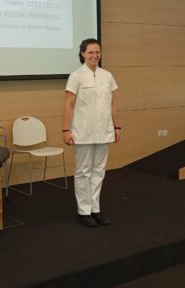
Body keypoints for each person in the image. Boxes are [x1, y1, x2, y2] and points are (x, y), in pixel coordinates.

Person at [62, 38, 120, 227]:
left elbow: (113, 103)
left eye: (97, 52)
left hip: (104, 130)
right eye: (90, 52)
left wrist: (117, 127)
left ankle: (96, 209)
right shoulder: (76, 76)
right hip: (82, 132)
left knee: (99, 171)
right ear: (82, 54)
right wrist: (65, 130)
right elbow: (69, 105)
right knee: (83, 171)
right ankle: (84, 211)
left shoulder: (107, 75)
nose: (94, 55)